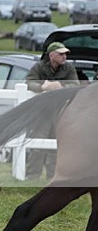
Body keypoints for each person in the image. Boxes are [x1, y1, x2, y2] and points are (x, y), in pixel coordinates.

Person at [24, 41, 79, 179]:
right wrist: (43, 87)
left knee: (57, 146)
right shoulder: (38, 67)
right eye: (61, 54)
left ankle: (53, 176)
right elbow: (29, 82)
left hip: (61, 112)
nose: (64, 57)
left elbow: (76, 85)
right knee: (37, 144)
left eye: (65, 54)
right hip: (41, 112)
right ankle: (32, 176)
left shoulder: (69, 68)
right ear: (52, 55)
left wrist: (60, 86)